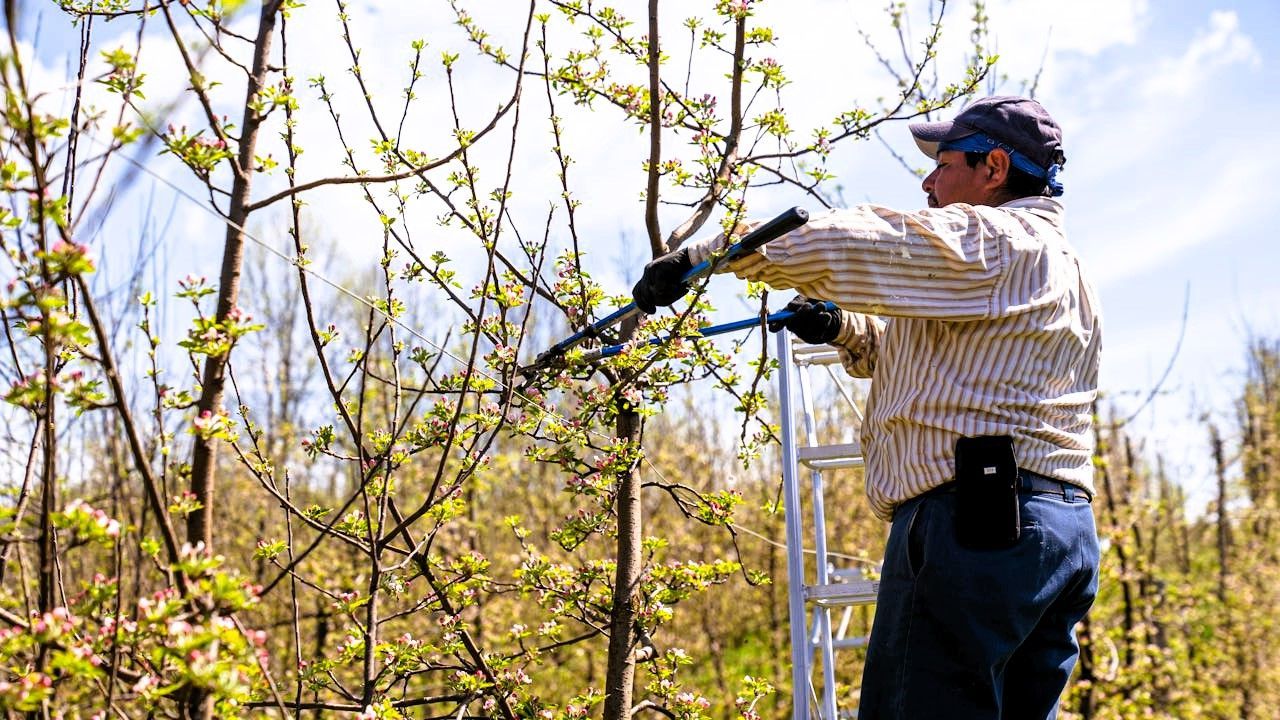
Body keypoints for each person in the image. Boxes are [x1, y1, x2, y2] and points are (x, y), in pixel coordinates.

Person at [632, 96, 1101, 719]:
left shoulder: (993, 241)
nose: (929, 183)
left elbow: (857, 244)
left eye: (945, 164)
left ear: (993, 168)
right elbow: (958, 375)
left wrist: (705, 256)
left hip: (975, 525)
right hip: (1058, 534)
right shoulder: (1064, 269)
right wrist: (843, 330)